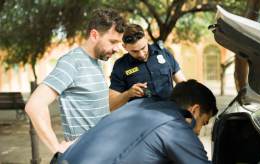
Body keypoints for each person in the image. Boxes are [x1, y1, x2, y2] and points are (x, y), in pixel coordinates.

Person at [25, 8, 126, 154]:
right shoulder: (71, 62)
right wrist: (57, 149)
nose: (117, 48)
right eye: (113, 41)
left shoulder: (96, 62)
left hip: (102, 151)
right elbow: (34, 106)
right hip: (83, 155)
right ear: (94, 35)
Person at [56, 79, 218, 164]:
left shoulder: (139, 104)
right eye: (203, 123)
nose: (198, 132)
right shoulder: (175, 125)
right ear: (195, 110)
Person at [109, 24, 186, 111]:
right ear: (125, 47)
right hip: (142, 121)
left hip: (170, 115)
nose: (141, 54)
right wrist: (128, 93)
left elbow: (183, 85)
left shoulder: (163, 53)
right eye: (135, 51)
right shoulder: (120, 66)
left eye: (143, 48)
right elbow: (112, 106)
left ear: (146, 39)